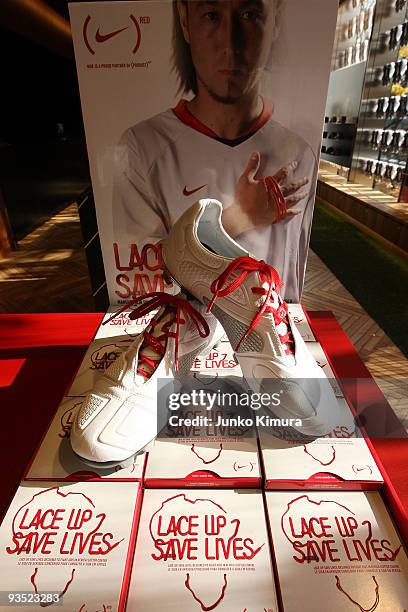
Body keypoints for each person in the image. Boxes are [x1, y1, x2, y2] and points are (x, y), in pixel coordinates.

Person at [112, 0, 317, 302]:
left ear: (275, 19)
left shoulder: (298, 152)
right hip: (185, 338)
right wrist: (239, 218)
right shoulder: (142, 146)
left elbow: (289, 279)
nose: (230, 43)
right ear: (185, 20)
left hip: (265, 338)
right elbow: (140, 279)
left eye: (248, 15)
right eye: (211, 15)